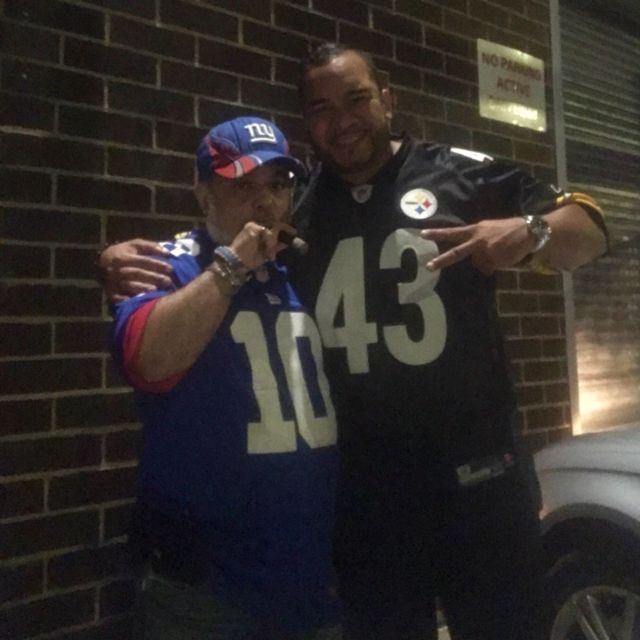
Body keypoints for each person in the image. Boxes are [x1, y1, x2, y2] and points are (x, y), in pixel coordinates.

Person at [101, 45, 608, 640]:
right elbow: (208, 247)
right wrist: (112, 263)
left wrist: (532, 231)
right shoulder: (297, 202)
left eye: (357, 99)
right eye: (321, 109)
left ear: (387, 98)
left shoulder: (460, 173)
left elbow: (591, 232)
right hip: (367, 503)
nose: (341, 121)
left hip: (479, 485)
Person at [109, 116, 341, 640]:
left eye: (278, 185)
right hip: (207, 588)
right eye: (242, 186)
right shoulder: (168, 265)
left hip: (309, 575)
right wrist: (232, 266)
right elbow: (147, 359)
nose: (265, 202)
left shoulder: (300, 268)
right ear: (204, 197)